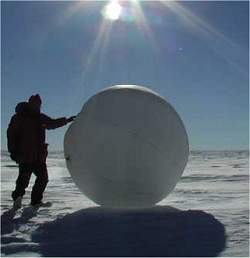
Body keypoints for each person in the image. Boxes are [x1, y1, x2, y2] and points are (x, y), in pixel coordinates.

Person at [7, 94, 76, 208]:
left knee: (43, 179)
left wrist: (67, 120)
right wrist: (13, 151)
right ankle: (17, 199)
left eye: (39, 104)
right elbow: (11, 135)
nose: (37, 106)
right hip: (25, 155)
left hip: (39, 156)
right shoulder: (19, 118)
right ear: (30, 103)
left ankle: (36, 201)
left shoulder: (40, 117)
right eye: (35, 104)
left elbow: (52, 123)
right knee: (23, 180)